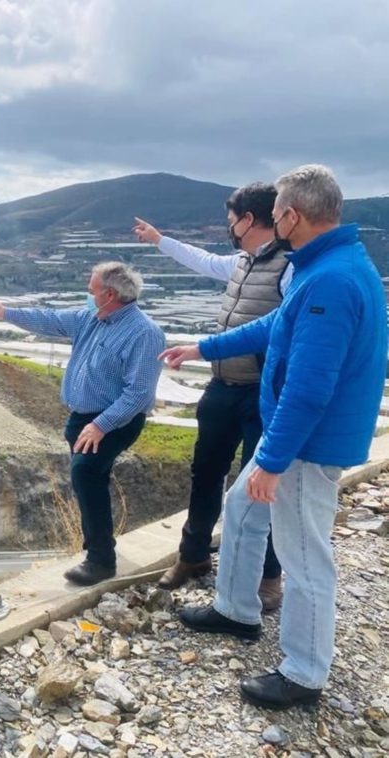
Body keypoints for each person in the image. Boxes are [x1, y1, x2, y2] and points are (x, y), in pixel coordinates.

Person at [160, 164, 387, 710]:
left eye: (278, 210)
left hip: (310, 442)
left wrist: (273, 459)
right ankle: (236, 611)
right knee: (241, 511)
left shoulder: (328, 280)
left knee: (304, 555)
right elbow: (274, 327)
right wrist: (204, 348)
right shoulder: (324, 267)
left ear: (293, 215)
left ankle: (305, 673)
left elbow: (310, 388)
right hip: (301, 437)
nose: (274, 218)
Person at [133, 183, 292, 612]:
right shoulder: (241, 262)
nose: (229, 229)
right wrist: (159, 239)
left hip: (264, 393)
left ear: (249, 219)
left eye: (231, 221)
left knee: (262, 486)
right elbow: (201, 261)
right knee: (205, 474)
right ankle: (194, 556)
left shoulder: (289, 269)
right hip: (223, 388)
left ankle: (269, 576)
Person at [0, 262, 165, 585]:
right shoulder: (91, 318)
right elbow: (48, 320)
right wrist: (4, 313)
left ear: (110, 294)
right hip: (82, 418)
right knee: (91, 479)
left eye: (91, 291)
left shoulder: (145, 334)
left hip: (117, 419)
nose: (87, 296)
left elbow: (138, 394)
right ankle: (98, 543)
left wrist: (101, 425)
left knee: (85, 471)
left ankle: (101, 559)